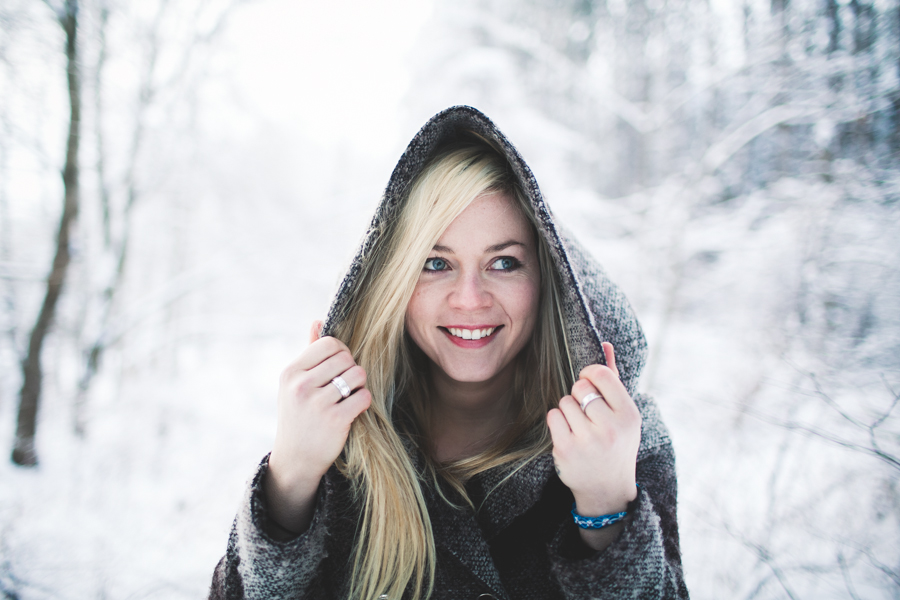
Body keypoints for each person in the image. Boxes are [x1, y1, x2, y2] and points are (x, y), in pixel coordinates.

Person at [209, 106, 688, 600]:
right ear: (393, 282)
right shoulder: (335, 440)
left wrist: (606, 507)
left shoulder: (621, 439)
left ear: (547, 280)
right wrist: (290, 481)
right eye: (436, 263)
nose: (470, 299)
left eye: (504, 262)